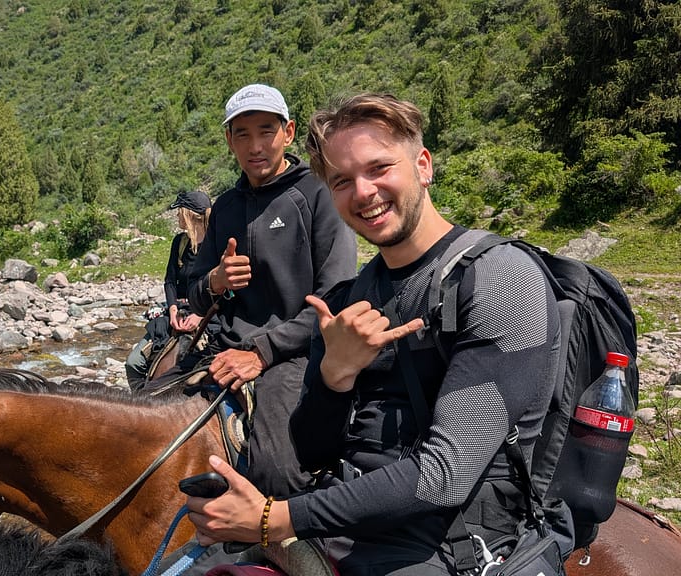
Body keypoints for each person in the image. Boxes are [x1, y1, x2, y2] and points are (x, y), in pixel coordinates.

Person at [184, 93, 560, 575]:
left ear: (423, 165)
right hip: (349, 514)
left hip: (449, 538)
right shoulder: (347, 299)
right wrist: (334, 375)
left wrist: (278, 517)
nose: (363, 192)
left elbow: (445, 473)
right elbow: (313, 452)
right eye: (342, 180)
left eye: (379, 168)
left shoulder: (503, 279)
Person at [149, 83, 358, 499]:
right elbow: (193, 294)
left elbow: (335, 297)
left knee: (279, 470)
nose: (255, 145)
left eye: (266, 130)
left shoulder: (317, 194)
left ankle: (296, 544)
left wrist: (263, 351)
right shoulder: (225, 208)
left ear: (289, 132)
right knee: (140, 408)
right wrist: (215, 281)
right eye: (242, 134)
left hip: (294, 353)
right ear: (229, 140)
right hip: (225, 345)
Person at [125, 190, 213, 390]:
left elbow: (225, 290)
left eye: (179, 212)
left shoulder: (216, 245)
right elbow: (170, 281)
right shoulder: (179, 243)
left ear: (189, 215)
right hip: (177, 313)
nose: (176, 216)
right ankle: (139, 404)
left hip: (209, 316)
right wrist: (172, 309)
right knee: (134, 363)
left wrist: (200, 316)